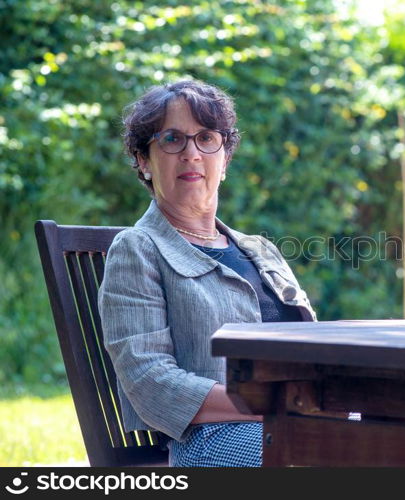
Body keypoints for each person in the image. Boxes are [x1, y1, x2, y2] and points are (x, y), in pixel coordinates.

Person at [98, 79, 316, 467]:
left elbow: (312, 348)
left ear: (225, 159)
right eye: (171, 139)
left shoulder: (261, 250)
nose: (191, 154)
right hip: (212, 440)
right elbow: (150, 382)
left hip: (295, 422)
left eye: (206, 138)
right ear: (144, 161)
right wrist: (268, 404)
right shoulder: (138, 249)